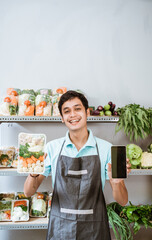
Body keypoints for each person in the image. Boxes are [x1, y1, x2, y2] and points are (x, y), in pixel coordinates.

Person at [24, 90, 131, 240]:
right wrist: (32, 172)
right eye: (67, 111)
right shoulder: (52, 148)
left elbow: (123, 200)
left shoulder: (106, 148)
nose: (73, 115)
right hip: (60, 228)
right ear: (62, 118)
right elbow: (29, 192)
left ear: (87, 112)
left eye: (78, 109)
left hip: (94, 228)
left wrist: (117, 182)